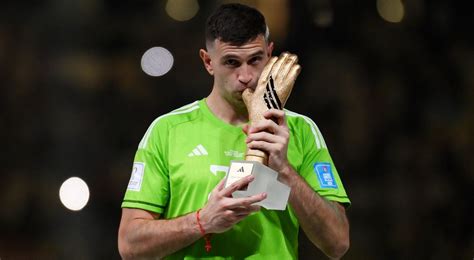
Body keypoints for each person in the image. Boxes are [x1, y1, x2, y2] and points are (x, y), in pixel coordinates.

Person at [118, 3, 350, 259]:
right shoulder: (167, 131)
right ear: (208, 62)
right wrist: (202, 221)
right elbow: (130, 246)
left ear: (270, 54)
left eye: (255, 60)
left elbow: (337, 243)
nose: (246, 76)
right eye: (231, 62)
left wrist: (284, 170)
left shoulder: (300, 130)